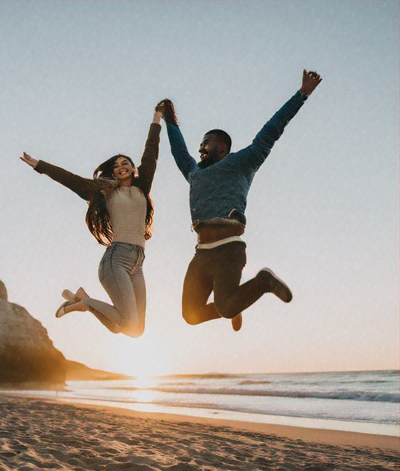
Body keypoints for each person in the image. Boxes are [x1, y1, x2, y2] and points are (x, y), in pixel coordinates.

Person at [158, 70, 322, 331]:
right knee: (191, 315)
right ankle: (236, 302)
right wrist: (169, 117)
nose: (200, 148)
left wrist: (302, 94)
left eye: (206, 143)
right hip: (201, 254)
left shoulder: (242, 163)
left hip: (228, 250)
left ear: (222, 147)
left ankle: (262, 282)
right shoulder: (194, 173)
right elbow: (179, 150)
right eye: (200, 144)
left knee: (226, 306)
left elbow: (272, 130)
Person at [20, 107, 163, 338]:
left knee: (136, 330)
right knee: (127, 323)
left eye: (125, 162)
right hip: (116, 259)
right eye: (116, 165)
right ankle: (83, 302)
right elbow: (71, 180)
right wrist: (40, 166)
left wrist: (157, 119)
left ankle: (81, 300)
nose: (121, 166)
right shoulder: (104, 193)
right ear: (113, 173)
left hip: (138, 263)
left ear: (133, 168)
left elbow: (151, 152)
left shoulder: (142, 186)